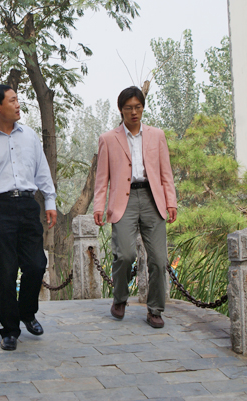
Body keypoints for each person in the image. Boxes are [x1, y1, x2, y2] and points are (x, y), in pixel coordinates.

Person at [0, 85, 57, 351]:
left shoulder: (29, 136)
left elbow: (42, 171)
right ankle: (10, 330)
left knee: (36, 265)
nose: (18, 105)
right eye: (13, 100)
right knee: (5, 272)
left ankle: (27, 312)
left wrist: (49, 201)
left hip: (28, 205)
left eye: (18, 100)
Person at [93, 86, 177, 329]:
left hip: (153, 198)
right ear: (121, 110)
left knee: (158, 259)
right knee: (125, 255)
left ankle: (155, 310)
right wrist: (99, 206)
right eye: (129, 108)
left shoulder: (157, 135)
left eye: (138, 107)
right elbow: (102, 179)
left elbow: (166, 172)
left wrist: (171, 201)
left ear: (143, 108)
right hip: (124, 201)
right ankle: (120, 298)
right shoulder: (108, 139)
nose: (134, 112)